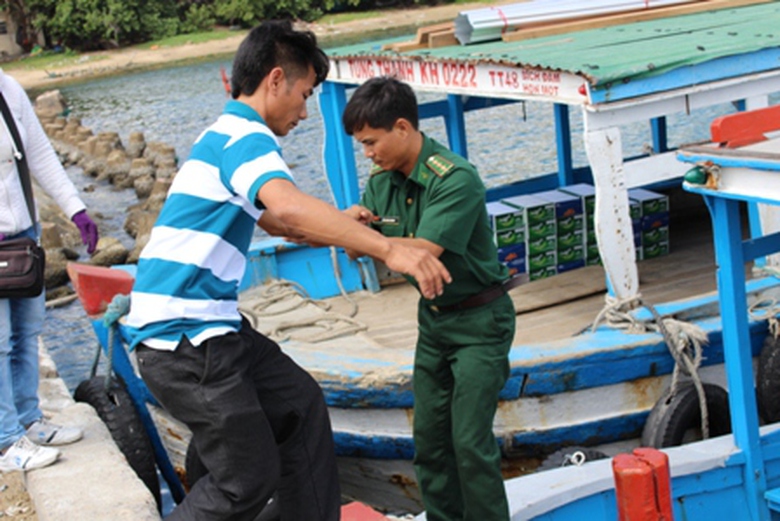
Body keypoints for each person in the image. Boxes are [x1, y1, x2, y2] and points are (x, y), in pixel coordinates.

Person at [125, 21, 451, 521]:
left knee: (298, 406)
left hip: (212, 329)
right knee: (245, 482)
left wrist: (340, 224)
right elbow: (290, 210)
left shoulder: (226, 134)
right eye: (305, 94)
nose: (305, 110)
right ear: (275, 80)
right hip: (185, 339)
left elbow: (280, 223)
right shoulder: (246, 136)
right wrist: (390, 250)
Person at [341, 76, 517, 521]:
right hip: (434, 322)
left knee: (470, 443)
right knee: (431, 445)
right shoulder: (382, 182)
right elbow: (355, 249)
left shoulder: (455, 178)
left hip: (480, 322)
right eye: (362, 146)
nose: (368, 154)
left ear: (403, 127)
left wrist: (363, 235)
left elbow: (421, 253)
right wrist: (352, 229)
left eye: (371, 142)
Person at [0, 70, 99, 472]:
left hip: (24, 233)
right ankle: (6, 442)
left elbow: (39, 153)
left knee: (26, 331)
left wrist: (75, 207)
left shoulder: (7, 88)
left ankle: (29, 420)